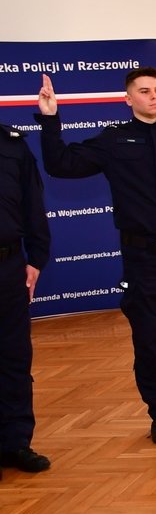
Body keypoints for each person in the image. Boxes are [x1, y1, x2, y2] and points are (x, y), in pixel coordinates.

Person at [36, 71, 156, 446]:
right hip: (142, 258)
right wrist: (51, 120)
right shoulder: (114, 140)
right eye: (144, 92)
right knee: (147, 340)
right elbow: (62, 165)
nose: (154, 97)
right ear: (128, 100)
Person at [0, 120, 52, 474]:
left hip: (8, 265)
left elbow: (33, 201)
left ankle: (17, 442)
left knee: (15, 357)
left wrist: (35, 257)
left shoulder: (13, 143)